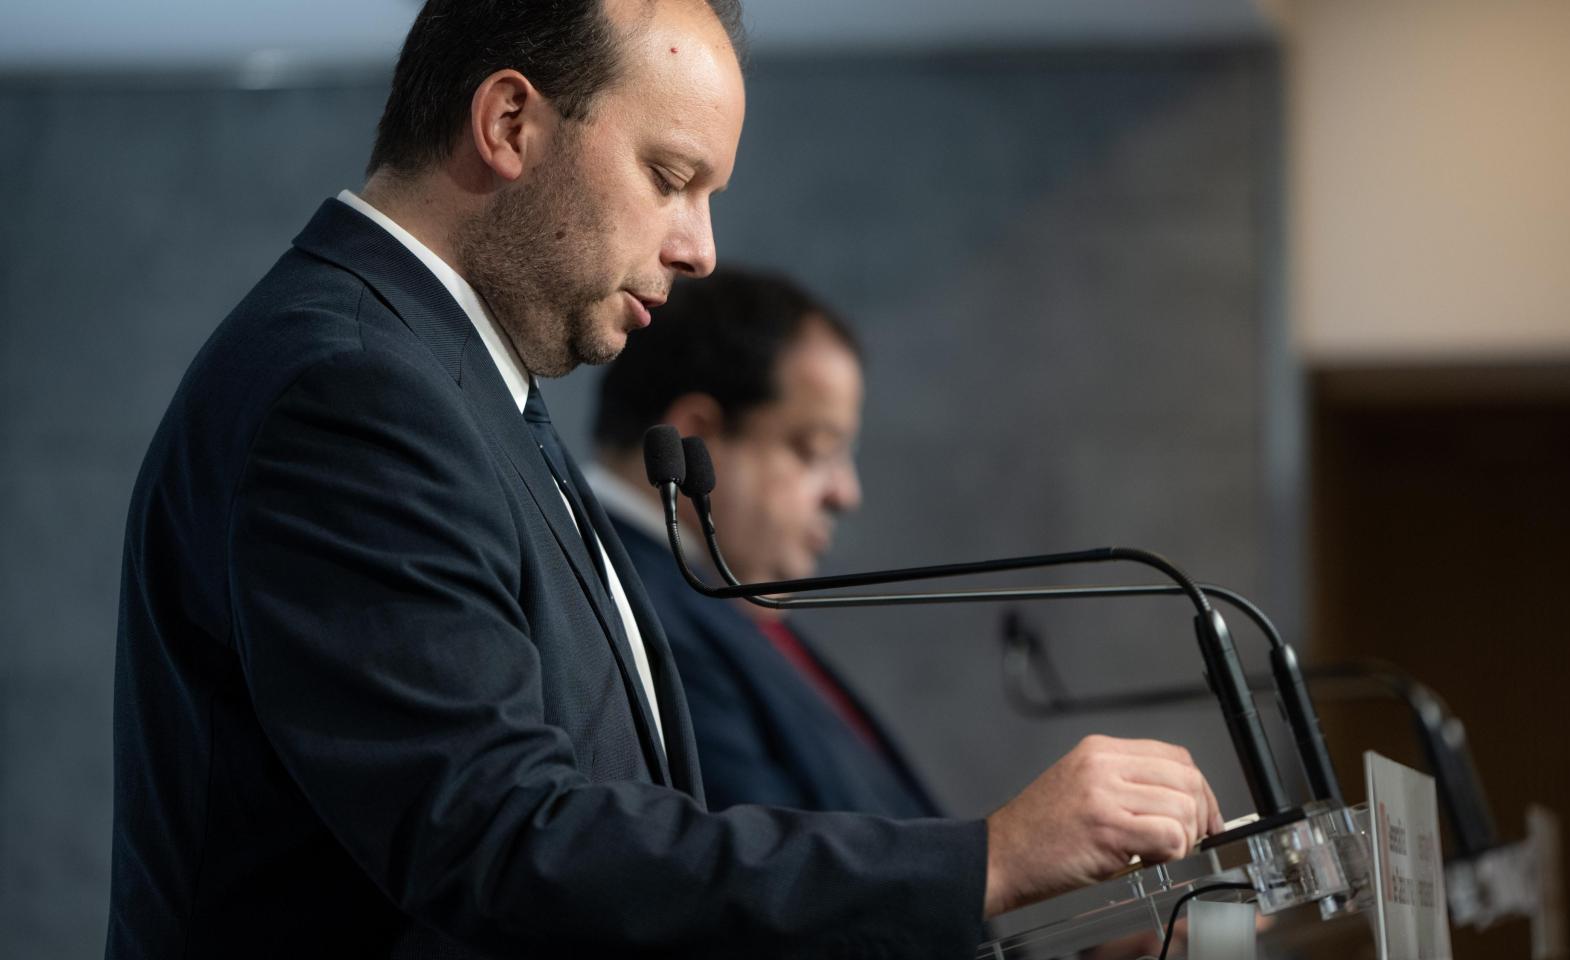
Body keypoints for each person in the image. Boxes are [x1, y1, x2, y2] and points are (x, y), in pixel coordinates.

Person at [106, 1, 1224, 957]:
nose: (700, 248)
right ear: (509, 124)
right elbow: (502, 844)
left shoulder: (454, 379)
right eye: (671, 177)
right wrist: (987, 861)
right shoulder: (353, 388)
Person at [588, 267, 940, 818]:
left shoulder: (710, 595)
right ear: (694, 441)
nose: (846, 493)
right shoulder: (628, 609)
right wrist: (1006, 847)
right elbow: (772, 854)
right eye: (813, 449)